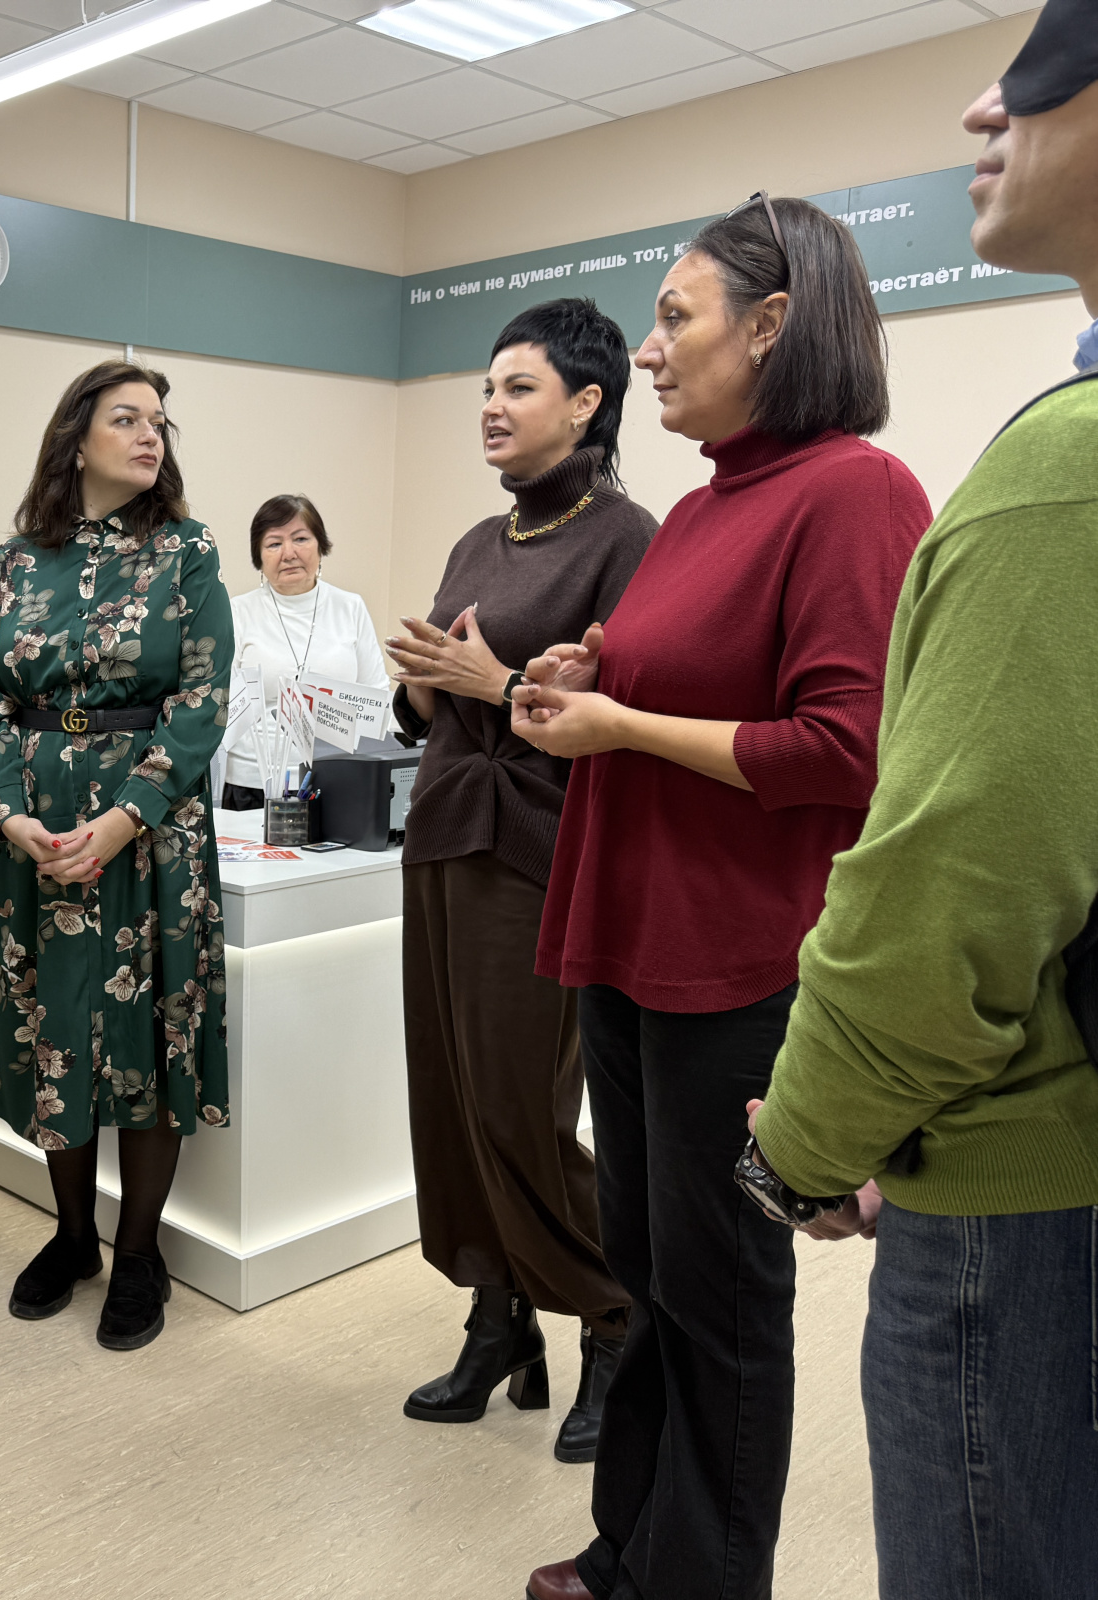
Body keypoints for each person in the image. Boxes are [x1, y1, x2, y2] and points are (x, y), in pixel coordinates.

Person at [510, 199, 932, 1600]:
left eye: (674, 317)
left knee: (720, 1293)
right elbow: (683, 684)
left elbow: (847, 748)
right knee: (646, 1273)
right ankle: (631, 1542)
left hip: (735, 960)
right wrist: (589, 677)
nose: (647, 350)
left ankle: (701, 1577)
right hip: (634, 942)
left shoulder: (856, 492)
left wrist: (623, 724)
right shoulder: (700, 506)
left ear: (772, 325)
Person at [748, 18, 1098, 1596]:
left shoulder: (1056, 480)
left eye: (1041, 65)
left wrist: (801, 1148)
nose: (981, 106)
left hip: (1027, 1185)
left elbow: (946, 894)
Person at [384, 300, 654, 1462]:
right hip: (445, 828)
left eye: (519, 387)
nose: (491, 407)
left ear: (587, 404)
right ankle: (498, 1320)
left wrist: (489, 683)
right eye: (486, 389)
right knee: (449, 1102)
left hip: (541, 847)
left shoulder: (629, 540)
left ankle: (613, 1315)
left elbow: (622, 722)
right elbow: (428, 706)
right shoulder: (475, 541)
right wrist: (425, 685)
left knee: (519, 1110)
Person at [0, 358, 233, 1352]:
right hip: (37, 831)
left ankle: (138, 1253)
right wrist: (9, 814)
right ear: (76, 439)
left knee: (147, 1037)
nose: (150, 434)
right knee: (55, 1030)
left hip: (149, 832)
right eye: (127, 418)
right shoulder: (14, 561)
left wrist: (124, 819)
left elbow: (202, 702)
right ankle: (72, 1235)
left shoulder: (188, 551)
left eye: (159, 421)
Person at [217, 494, 388, 809]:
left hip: (336, 778)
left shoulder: (350, 607)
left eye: (300, 539)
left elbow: (376, 694)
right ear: (258, 557)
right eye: (274, 543)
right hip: (252, 782)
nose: (289, 553)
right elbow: (222, 701)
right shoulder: (238, 611)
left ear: (321, 546)